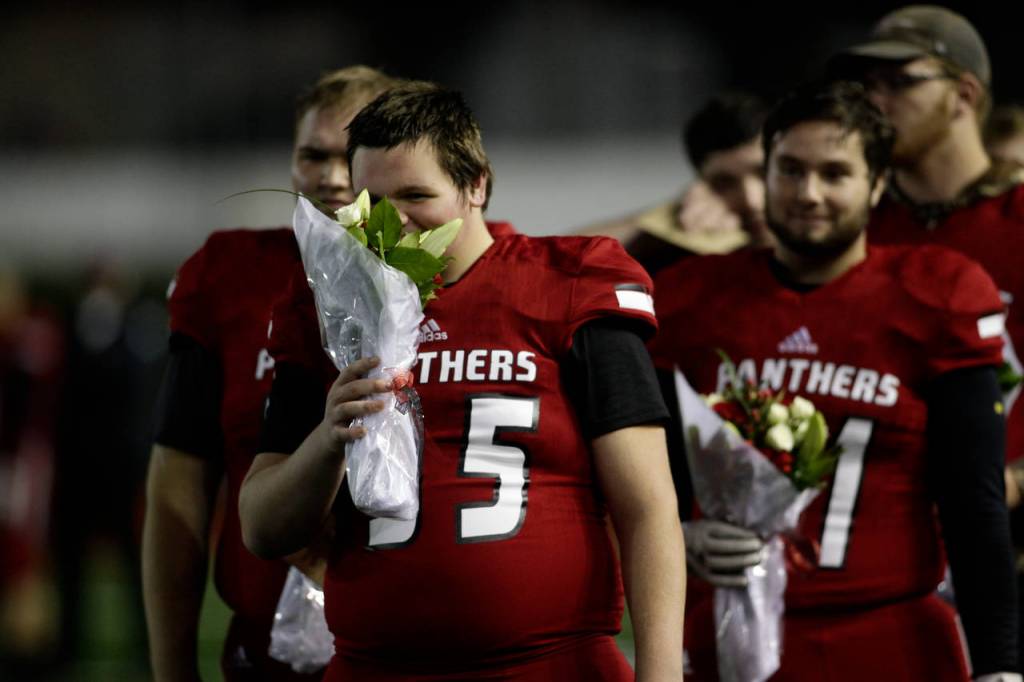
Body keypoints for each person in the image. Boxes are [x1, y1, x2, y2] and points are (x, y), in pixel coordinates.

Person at [239, 81, 685, 681]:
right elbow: (262, 528)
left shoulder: (569, 283)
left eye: (417, 194)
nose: (394, 219)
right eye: (374, 199)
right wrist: (326, 440)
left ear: (477, 184)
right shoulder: (327, 310)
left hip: (550, 665)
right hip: (374, 668)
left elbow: (648, 506)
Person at [650, 81, 1018, 680]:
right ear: (765, 173)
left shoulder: (937, 290)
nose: (808, 193)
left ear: (877, 185)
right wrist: (681, 537)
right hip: (733, 633)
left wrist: (1001, 666)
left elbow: (974, 503)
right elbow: (640, 482)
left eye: (834, 173)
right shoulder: (692, 298)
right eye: (789, 170)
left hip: (891, 635)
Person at [142, 65, 401, 682]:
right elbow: (178, 491)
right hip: (268, 652)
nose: (332, 177)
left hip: (411, 644)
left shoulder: (447, 268)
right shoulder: (229, 274)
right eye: (313, 155)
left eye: (351, 156)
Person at [577, 92, 772, 274]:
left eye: (764, 173)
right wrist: (666, 218)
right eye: (724, 183)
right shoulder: (688, 266)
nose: (752, 200)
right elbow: (561, 260)